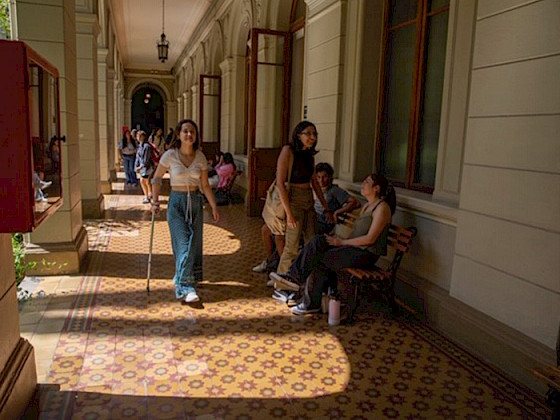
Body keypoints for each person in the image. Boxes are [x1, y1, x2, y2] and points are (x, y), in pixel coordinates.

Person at [270, 173, 396, 315]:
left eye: (367, 182)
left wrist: (341, 242)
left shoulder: (382, 208)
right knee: (318, 241)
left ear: (376, 188)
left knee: (321, 258)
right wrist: (338, 242)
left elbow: (370, 239)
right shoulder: (367, 206)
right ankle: (293, 279)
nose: (363, 184)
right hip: (354, 248)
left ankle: (311, 302)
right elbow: (356, 234)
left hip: (366, 254)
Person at [150, 119, 220, 303]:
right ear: (179, 135)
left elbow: (205, 184)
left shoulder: (200, 157)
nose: (189, 135)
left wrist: (213, 205)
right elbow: (156, 178)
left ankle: (184, 276)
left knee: (194, 245)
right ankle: (186, 287)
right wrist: (154, 202)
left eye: (193, 132)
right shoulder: (170, 155)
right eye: (186, 131)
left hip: (196, 202)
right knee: (184, 244)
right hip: (176, 203)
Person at [271, 121, 333, 276]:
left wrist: (325, 207)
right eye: (308, 133)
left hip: (308, 201)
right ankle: (281, 281)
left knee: (311, 242)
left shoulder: (309, 154)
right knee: (291, 245)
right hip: (293, 200)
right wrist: (289, 213)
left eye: (314, 134)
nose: (312, 137)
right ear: (299, 135)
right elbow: (280, 183)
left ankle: (305, 278)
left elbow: (314, 183)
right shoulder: (288, 151)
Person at [314, 162, 360, 234]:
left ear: (330, 177)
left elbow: (355, 202)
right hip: (314, 219)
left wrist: (337, 212)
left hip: (323, 223)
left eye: (325, 176)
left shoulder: (335, 190)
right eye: (319, 177)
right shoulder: (319, 190)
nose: (321, 180)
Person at [134, 130, 155, 204]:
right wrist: (137, 166)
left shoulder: (147, 146)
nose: (138, 137)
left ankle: (149, 195)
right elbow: (138, 157)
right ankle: (148, 195)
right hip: (143, 167)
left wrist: (141, 166)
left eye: (139, 136)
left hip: (147, 167)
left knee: (145, 181)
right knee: (145, 181)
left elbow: (146, 158)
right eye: (137, 136)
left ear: (143, 137)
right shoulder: (140, 145)